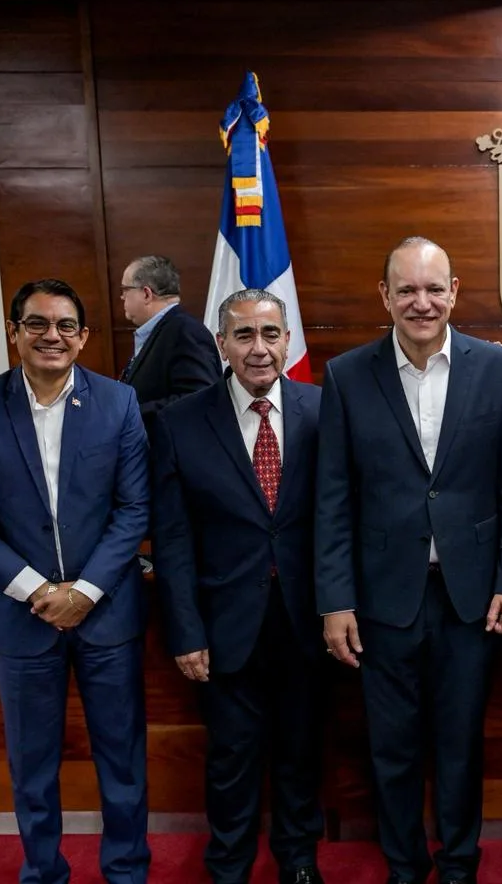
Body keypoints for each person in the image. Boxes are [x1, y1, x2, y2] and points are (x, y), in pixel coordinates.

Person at [314, 236, 502, 884]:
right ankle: (405, 868)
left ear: (454, 292)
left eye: (434, 288)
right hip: (383, 599)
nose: (422, 302)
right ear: (384, 295)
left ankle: (460, 866)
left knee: (462, 746)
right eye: (407, 289)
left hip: (471, 598)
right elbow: (333, 498)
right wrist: (335, 600)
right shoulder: (347, 375)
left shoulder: (496, 369)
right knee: (393, 750)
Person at [0, 279, 150, 884]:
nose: (51, 336)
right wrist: (38, 590)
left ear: (82, 337)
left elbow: (134, 509)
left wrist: (83, 592)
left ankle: (127, 872)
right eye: (36, 323)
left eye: (64, 326)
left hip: (106, 615)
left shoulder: (118, 403)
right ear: (14, 332)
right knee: (32, 767)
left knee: (123, 761)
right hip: (21, 618)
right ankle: (42, 872)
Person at [150, 289, 326, 884]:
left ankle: (298, 860)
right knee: (231, 755)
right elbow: (172, 537)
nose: (259, 348)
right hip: (223, 620)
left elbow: (342, 519)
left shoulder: (323, 409)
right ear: (221, 343)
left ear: (287, 341)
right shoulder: (180, 421)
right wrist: (185, 630)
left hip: (307, 616)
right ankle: (229, 866)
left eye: (270, 334)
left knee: (302, 749)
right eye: (244, 335)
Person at [118, 255, 221, 431]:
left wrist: (131, 414)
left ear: (146, 294)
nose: (122, 297)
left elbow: (199, 398)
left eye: (125, 289)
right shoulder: (163, 329)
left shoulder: (186, 331)